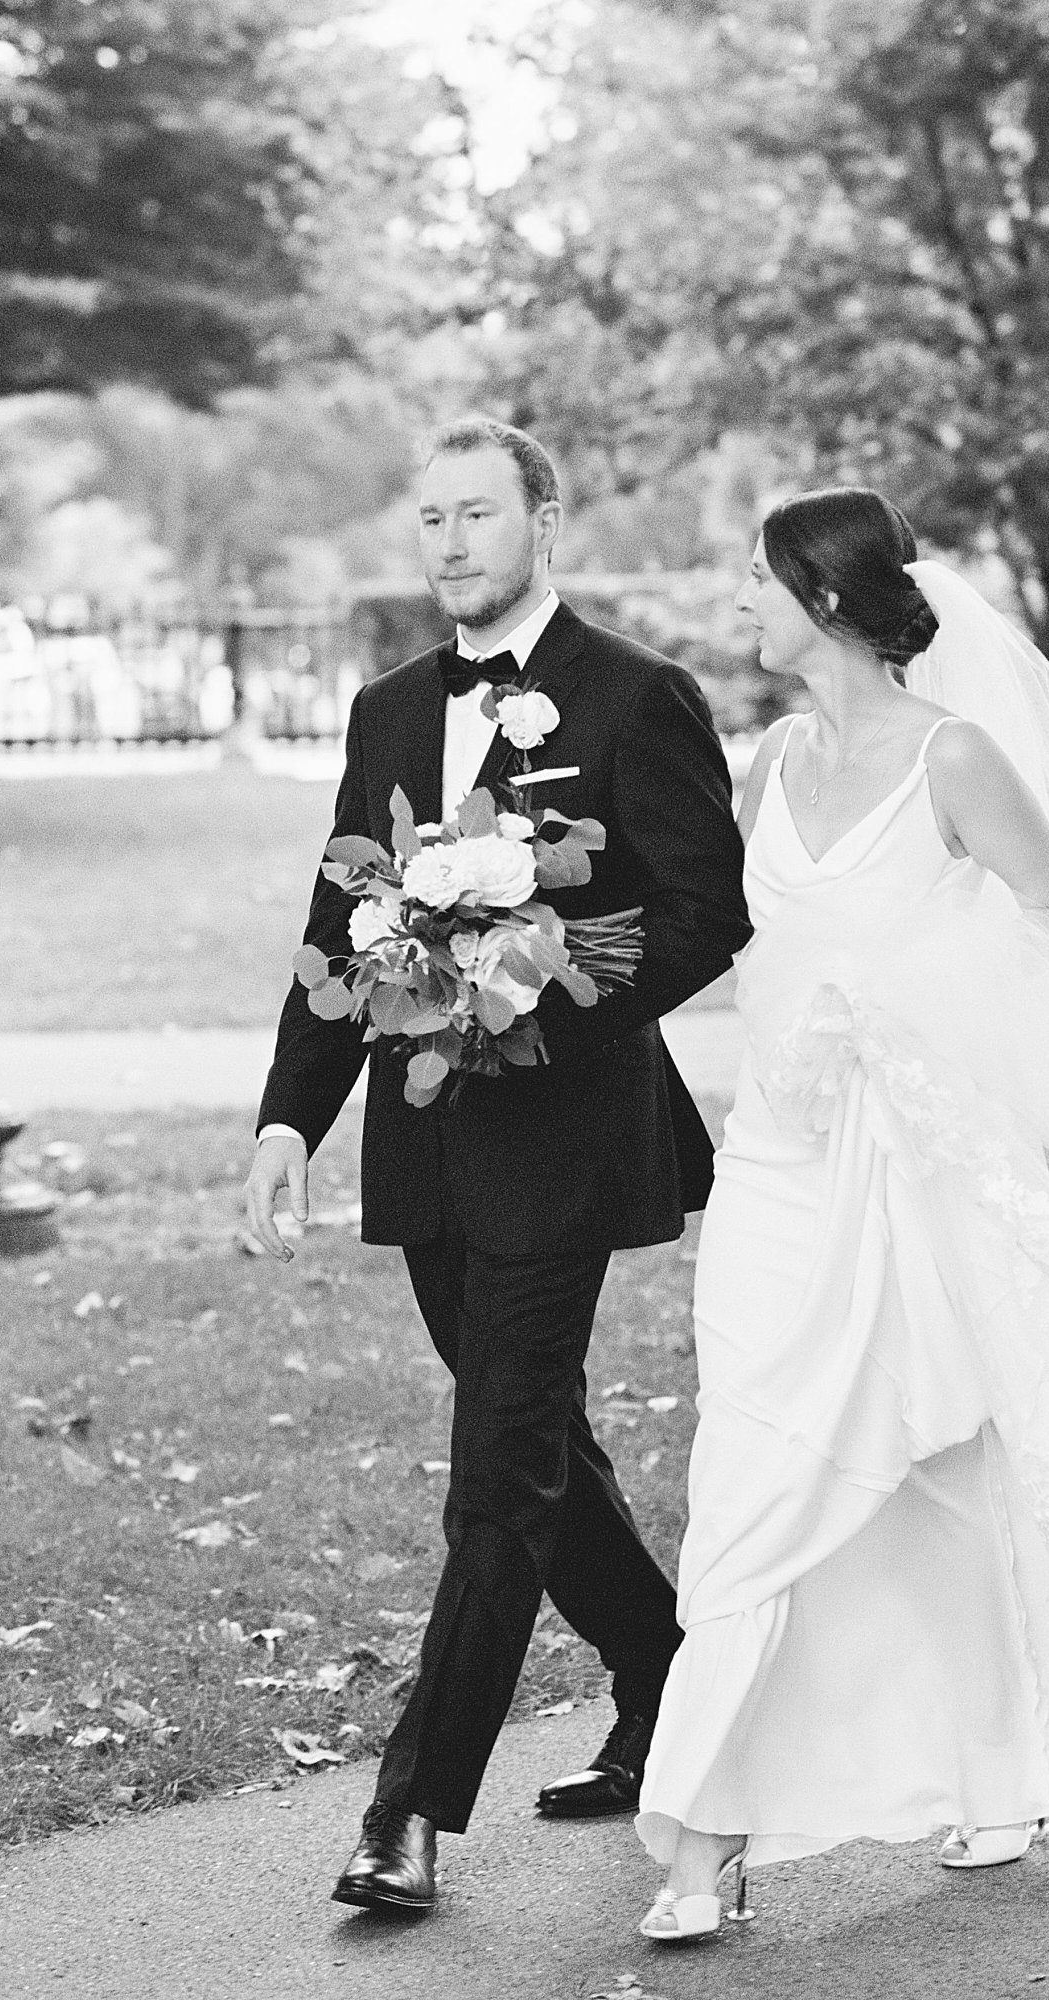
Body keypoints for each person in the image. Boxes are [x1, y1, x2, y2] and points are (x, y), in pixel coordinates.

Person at [634, 487, 1049, 1943]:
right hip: (777, 1174)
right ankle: (706, 1830)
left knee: (941, 1463)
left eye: (755, 579)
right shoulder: (763, 763)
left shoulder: (956, 756)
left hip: (916, 1166)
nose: (736, 600)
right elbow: (731, 942)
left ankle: (978, 1768)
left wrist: (909, 1018)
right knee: (748, 1478)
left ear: (829, 598)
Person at [244, 418, 751, 1917]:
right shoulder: (390, 707)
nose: (449, 542)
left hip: (568, 1136)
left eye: (476, 513)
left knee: (496, 1473)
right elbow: (342, 928)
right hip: (424, 1144)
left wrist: (541, 986)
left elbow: (704, 910)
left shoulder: (638, 694)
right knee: (532, 1444)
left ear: (544, 519)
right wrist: (289, 1119)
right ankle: (664, 1688)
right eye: (428, 520)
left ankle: (407, 1814)